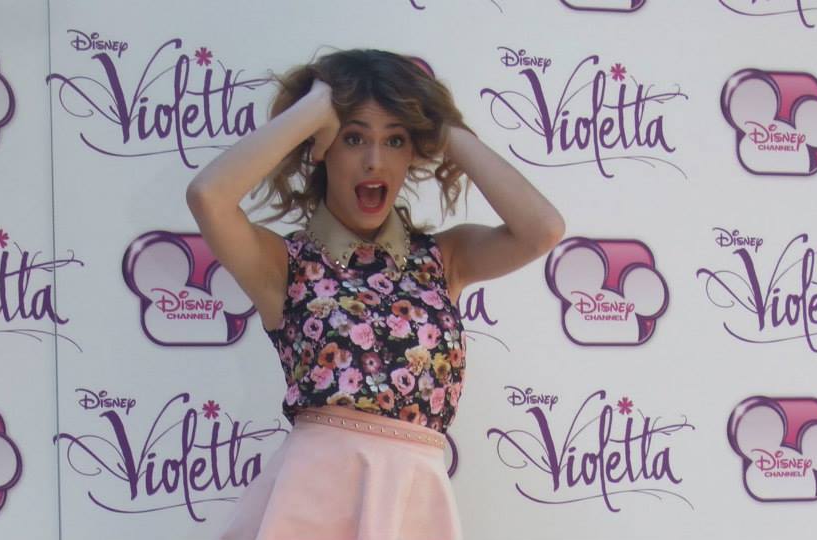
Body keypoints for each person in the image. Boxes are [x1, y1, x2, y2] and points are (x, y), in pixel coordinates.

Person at [186, 49, 565, 540]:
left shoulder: (444, 258)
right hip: (311, 501)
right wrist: (317, 108)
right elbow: (208, 196)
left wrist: (441, 124)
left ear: (415, 151)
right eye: (353, 137)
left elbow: (543, 228)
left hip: (413, 501)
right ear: (322, 148)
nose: (374, 160)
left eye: (395, 140)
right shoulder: (284, 263)